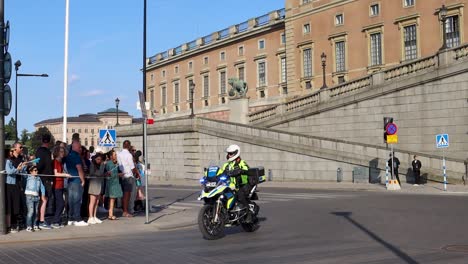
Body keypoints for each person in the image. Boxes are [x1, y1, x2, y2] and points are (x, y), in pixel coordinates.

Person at [216, 144, 252, 221]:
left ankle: (248, 214)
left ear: (236, 153)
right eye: (228, 153)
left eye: (230, 153)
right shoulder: (226, 165)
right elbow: (220, 173)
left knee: (240, 195)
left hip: (242, 185)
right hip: (230, 186)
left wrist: (241, 171)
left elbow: (247, 170)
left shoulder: (241, 163)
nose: (228, 155)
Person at [65, 141, 88, 226]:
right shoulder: (77, 156)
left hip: (70, 181)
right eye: (80, 147)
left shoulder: (68, 155)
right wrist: (83, 180)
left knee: (71, 201)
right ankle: (77, 219)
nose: (81, 149)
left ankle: (70, 218)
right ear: (76, 147)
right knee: (77, 200)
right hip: (77, 180)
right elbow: (79, 168)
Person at [5, 145, 26, 233]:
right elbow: (9, 171)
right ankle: (10, 225)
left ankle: (16, 223)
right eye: (20, 147)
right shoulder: (9, 160)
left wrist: (23, 167)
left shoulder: (21, 158)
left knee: (17, 204)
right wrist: (17, 169)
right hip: (10, 184)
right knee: (10, 205)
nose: (22, 149)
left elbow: (23, 171)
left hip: (18, 184)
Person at [35, 134, 54, 230]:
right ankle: (41, 220)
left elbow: (38, 164)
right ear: (49, 141)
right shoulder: (47, 152)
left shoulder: (39, 150)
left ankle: (38, 220)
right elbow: (44, 165)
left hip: (42, 177)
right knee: (44, 199)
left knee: (42, 199)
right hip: (45, 178)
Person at [118, 140, 140, 217]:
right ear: (129, 146)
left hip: (122, 175)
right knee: (127, 195)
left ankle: (124, 210)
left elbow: (119, 165)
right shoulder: (129, 155)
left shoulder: (119, 154)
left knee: (124, 194)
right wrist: (137, 173)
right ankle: (126, 211)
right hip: (128, 176)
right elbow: (132, 167)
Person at [52, 146, 70, 228]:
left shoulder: (60, 162)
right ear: (57, 152)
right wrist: (65, 174)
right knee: (61, 204)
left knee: (59, 203)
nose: (62, 153)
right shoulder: (55, 161)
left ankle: (58, 220)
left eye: (63, 151)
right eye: (61, 151)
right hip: (57, 185)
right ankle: (55, 221)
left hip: (61, 184)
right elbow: (56, 173)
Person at [87, 153, 106, 224]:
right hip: (93, 184)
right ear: (94, 159)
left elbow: (101, 174)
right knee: (92, 201)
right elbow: (96, 173)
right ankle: (90, 217)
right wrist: (102, 165)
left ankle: (94, 216)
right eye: (98, 159)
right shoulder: (92, 165)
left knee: (97, 201)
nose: (99, 161)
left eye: (100, 160)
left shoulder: (100, 165)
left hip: (99, 184)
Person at [105, 150, 123, 220]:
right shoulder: (109, 163)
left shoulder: (113, 163)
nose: (116, 156)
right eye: (114, 155)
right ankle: (110, 214)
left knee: (113, 199)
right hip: (112, 183)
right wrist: (119, 174)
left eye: (116, 155)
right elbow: (110, 174)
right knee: (112, 199)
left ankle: (111, 213)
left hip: (114, 182)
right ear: (111, 156)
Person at [24, 165, 42, 232]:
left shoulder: (38, 178)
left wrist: (42, 194)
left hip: (36, 197)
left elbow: (41, 187)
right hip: (29, 196)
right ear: (31, 172)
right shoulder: (28, 177)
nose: (36, 171)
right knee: (31, 212)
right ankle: (28, 226)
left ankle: (35, 225)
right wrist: (24, 166)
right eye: (35, 170)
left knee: (36, 212)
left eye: (37, 170)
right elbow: (23, 173)